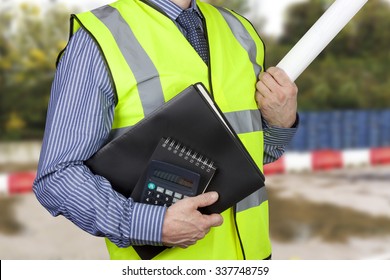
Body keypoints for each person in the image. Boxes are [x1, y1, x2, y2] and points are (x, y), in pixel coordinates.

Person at [33, 0, 298, 260]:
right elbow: (57, 176)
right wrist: (150, 225)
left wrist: (280, 123)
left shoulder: (240, 30)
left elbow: (249, 156)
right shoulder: (98, 39)